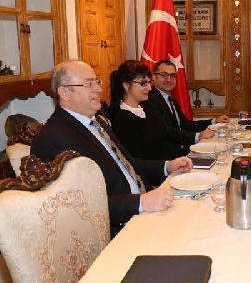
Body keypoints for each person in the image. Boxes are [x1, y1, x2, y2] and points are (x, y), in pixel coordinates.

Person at [31, 60, 192, 237]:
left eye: (97, 82)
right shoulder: (53, 137)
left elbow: (128, 165)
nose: (99, 89)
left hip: (144, 207)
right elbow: (75, 206)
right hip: (117, 229)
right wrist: (140, 203)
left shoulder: (98, 121)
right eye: (88, 84)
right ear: (64, 92)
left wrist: (167, 166)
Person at [142, 59, 229, 158]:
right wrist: (198, 136)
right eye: (164, 75)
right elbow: (166, 131)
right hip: (167, 157)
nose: (169, 79)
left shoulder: (171, 99)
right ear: (154, 77)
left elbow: (186, 125)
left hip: (182, 151)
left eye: (172, 75)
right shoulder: (150, 100)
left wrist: (213, 121)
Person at [108, 60, 176, 160]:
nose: (149, 88)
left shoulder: (147, 108)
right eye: (143, 83)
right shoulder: (122, 118)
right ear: (126, 85)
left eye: (149, 82)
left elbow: (165, 137)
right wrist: (168, 165)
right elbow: (137, 160)